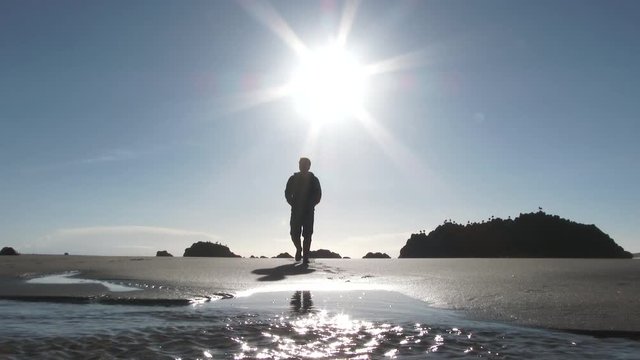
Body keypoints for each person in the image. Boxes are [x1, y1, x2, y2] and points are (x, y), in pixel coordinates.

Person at [285, 157, 321, 264]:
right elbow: (287, 192)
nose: (303, 166)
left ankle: (305, 256)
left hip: (308, 211)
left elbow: (318, 194)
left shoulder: (314, 180)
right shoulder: (293, 179)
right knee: (294, 233)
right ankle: (298, 249)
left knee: (308, 234)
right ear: (299, 166)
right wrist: (292, 202)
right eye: (301, 164)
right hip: (296, 210)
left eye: (305, 164)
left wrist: (312, 204)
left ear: (309, 166)